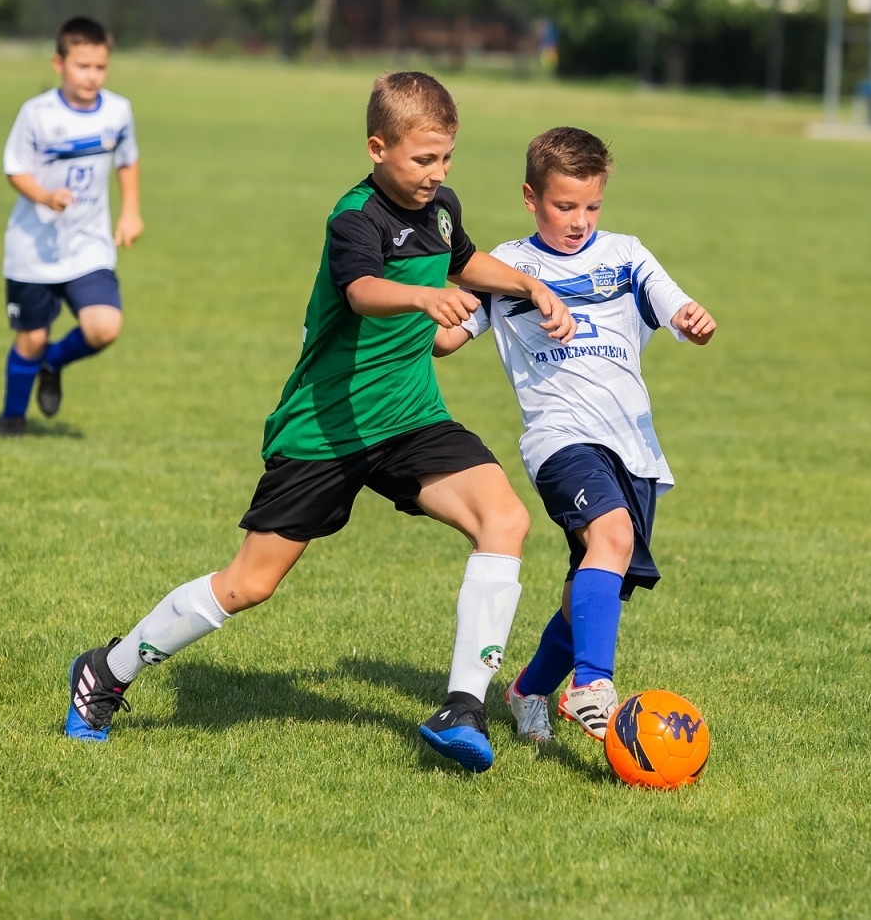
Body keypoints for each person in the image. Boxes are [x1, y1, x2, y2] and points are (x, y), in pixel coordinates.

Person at [63, 72, 575, 773]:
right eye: (423, 159)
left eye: (447, 158)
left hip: (409, 419)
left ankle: (463, 706)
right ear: (377, 147)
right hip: (326, 430)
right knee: (249, 584)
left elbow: (463, 259)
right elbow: (362, 292)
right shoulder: (354, 218)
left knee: (504, 522)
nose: (437, 174)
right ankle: (106, 670)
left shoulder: (443, 207)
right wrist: (425, 302)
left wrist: (529, 283)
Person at [432, 126, 715, 741]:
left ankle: (528, 690)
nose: (580, 220)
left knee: (590, 591)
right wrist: (405, 300)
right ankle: (592, 684)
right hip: (559, 439)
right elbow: (444, 337)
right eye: (565, 206)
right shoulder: (507, 267)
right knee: (610, 537)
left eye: (592, 206)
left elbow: (677, 309)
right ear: (531, 197)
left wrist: (692, 319)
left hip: (633, 445)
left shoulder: (626, 253)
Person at [0, 16, 142, 436]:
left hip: (88, 244)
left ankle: (54, 362)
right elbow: (15, 169)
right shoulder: (36, 114)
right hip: (33, 247)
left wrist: (130, 211)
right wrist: (45, 196)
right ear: (59, 63)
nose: (92, 76)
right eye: (83, 66)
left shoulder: (118, 111)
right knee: (30, 339)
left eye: (100, 67)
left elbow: (128, 160)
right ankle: (12, 421)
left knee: (105, 326)